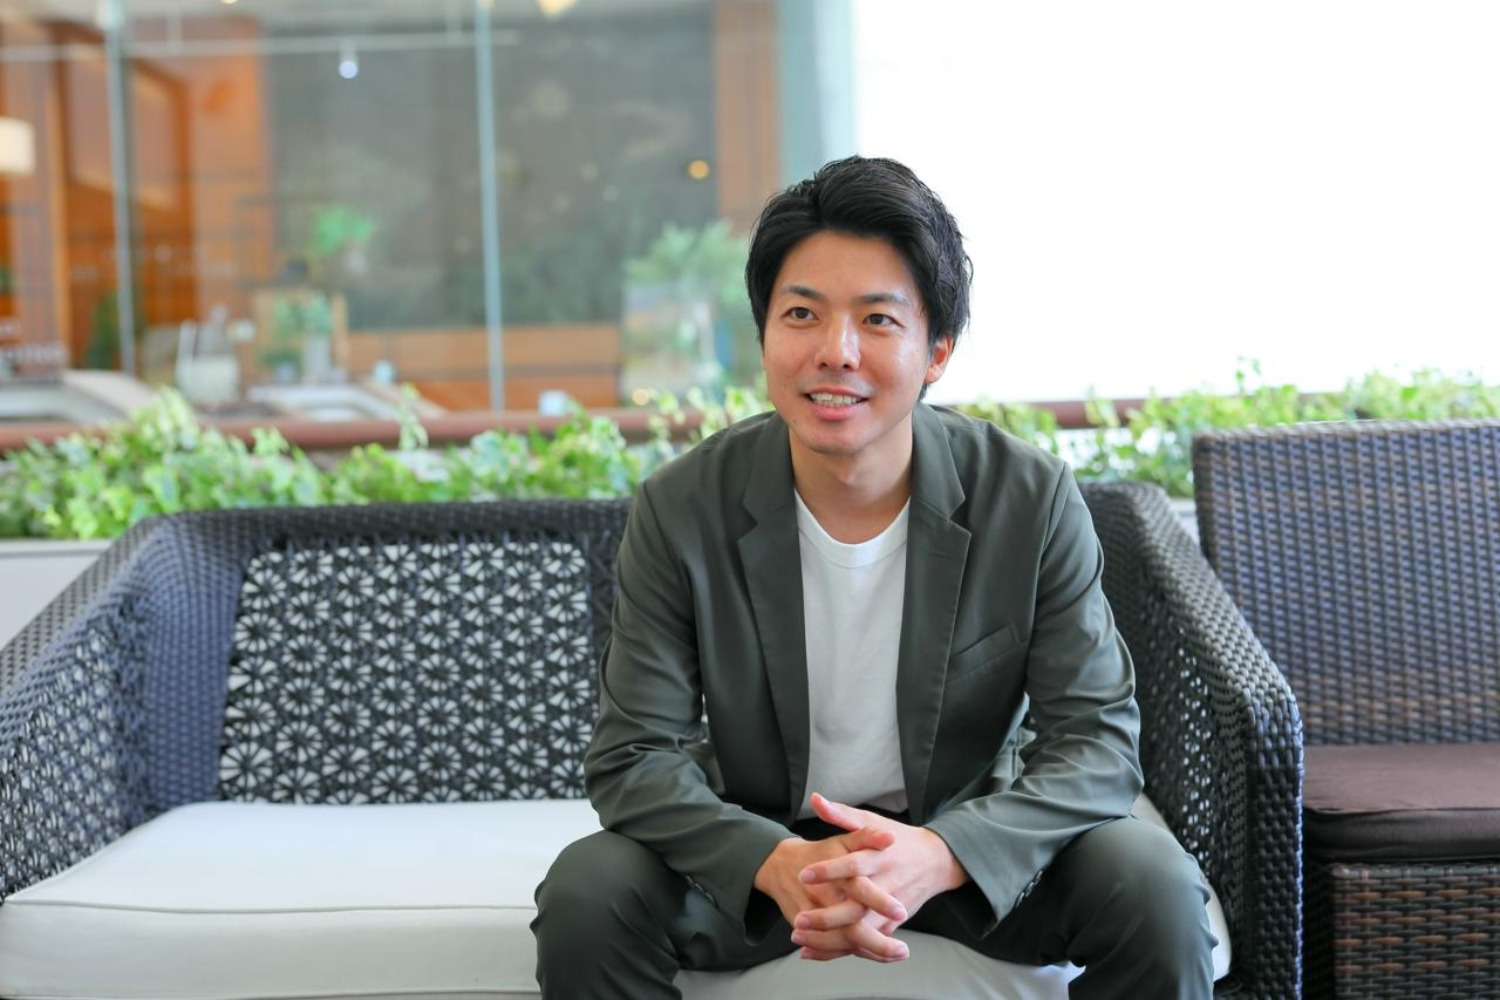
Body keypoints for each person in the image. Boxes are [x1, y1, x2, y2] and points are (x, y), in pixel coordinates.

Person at [533, 155, 1215, 999]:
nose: (836, 352)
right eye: (801, 314)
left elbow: (1097, 743)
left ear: (938, 351)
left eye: (878, 320)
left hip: (967, 852)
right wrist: (774, 861)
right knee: (589, 890)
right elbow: (634, 756)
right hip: (766, 855)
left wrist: (946, 851)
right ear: (764, 336)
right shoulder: (682, 506)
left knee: (1154, 887)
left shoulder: (1028, 498)